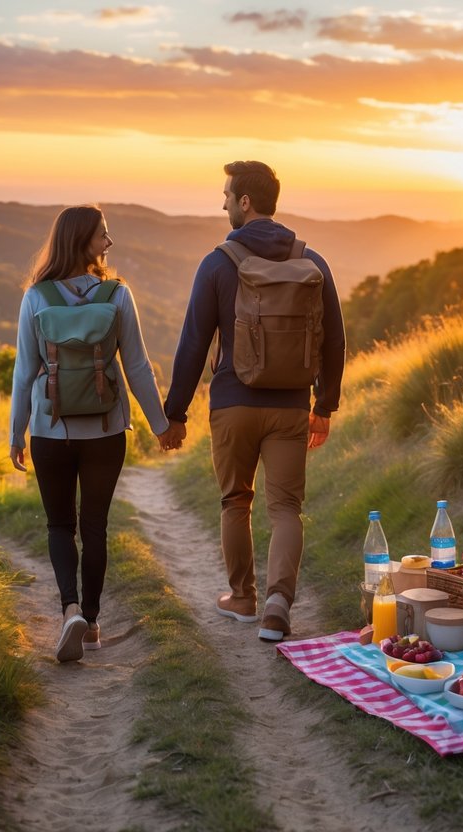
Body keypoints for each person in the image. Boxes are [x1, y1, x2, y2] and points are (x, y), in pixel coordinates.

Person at [161, 161, 346, 642]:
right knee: (285, 507)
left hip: (232, 404)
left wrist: (175, 414)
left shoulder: (218, 262)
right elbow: (333, 341)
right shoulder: (314, 261)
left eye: (226, 195)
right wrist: (323, 405)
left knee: (235, 501)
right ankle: (278, 603)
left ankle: (242, 599)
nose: (222, 202)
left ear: (246, 202)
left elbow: (193, 343)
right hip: (290, 407)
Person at [10, 205, 176, 663]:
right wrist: (159, 426)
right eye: (103, 234)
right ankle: (93, 621)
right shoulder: (117, 295)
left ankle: (69, 612)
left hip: (50, 430)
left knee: (60, 525)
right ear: (83, 241)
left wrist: (16, 434)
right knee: (95, 526)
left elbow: (25, 373)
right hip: (104, 431)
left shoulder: (36, 298)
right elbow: (138, 368)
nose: (109, 242)